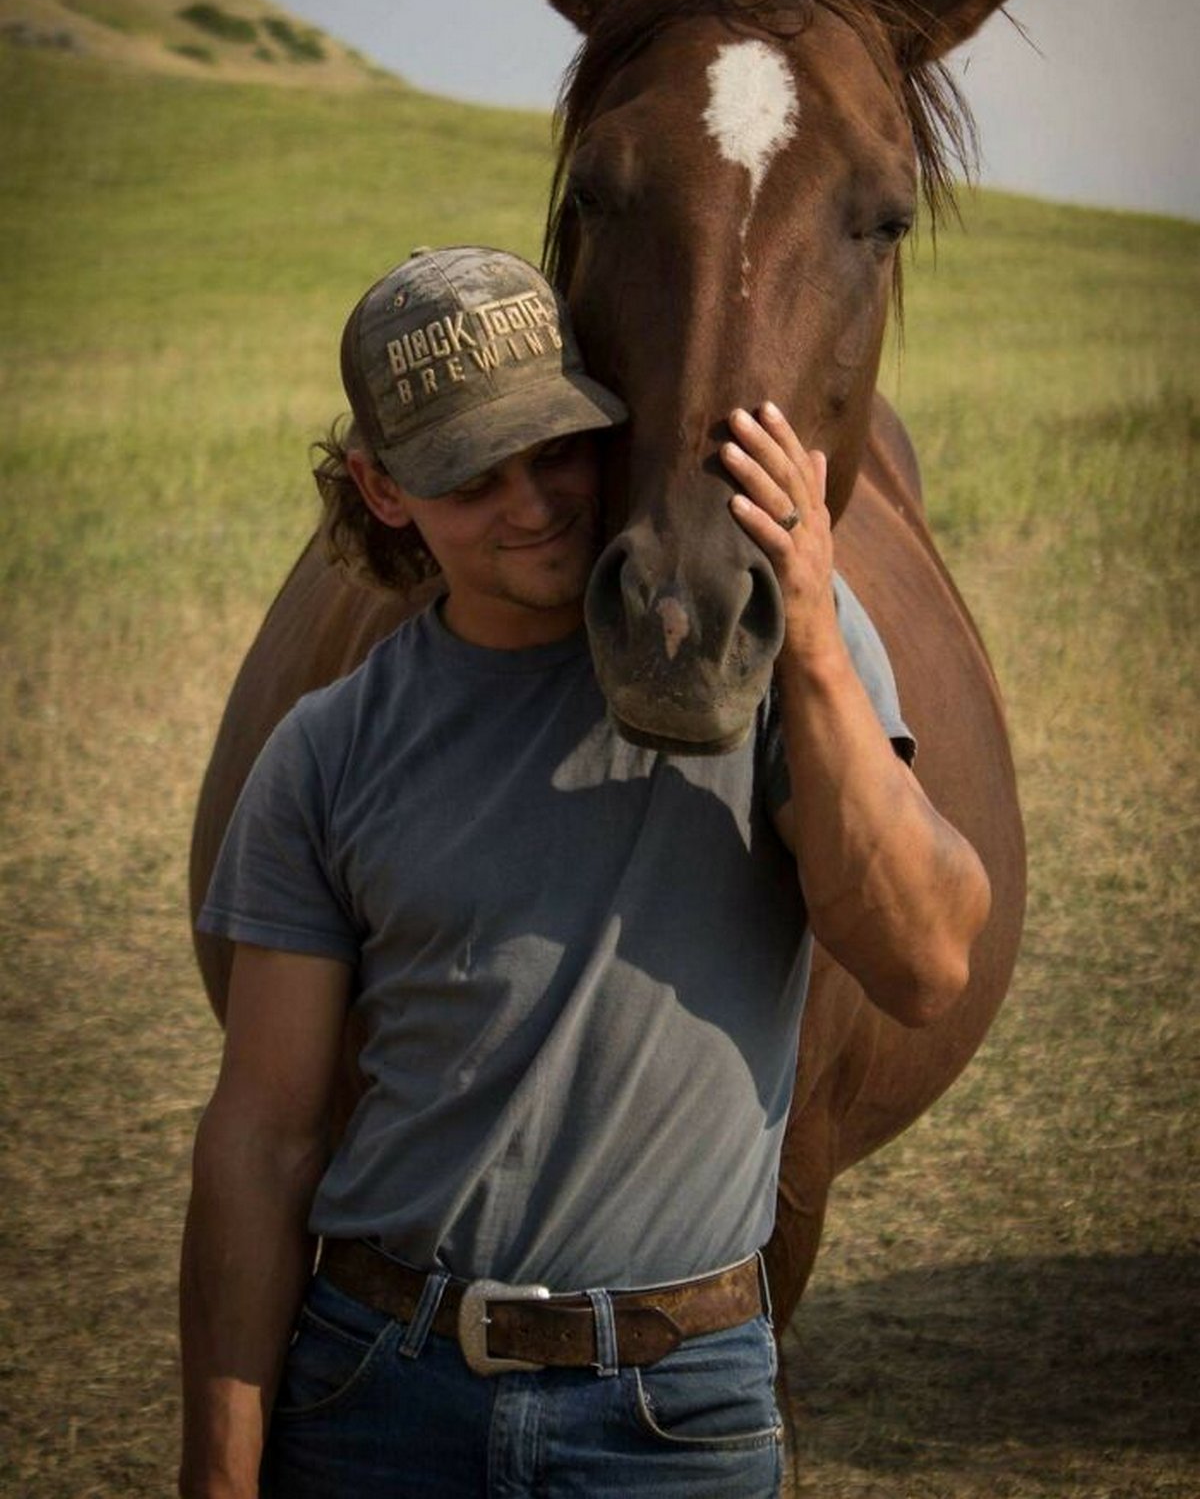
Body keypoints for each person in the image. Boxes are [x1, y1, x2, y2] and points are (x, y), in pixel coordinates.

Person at [179, 244, 990, 1499]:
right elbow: (263, 1139)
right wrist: (218, 1476)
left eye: (558, 449)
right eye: (471, 475)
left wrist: (818, 641)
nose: (536, 504)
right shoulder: (326, 755)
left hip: (674, 1410)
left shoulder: (767, 661)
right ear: (382, 489)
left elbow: (931, 962)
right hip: (377, 1391)